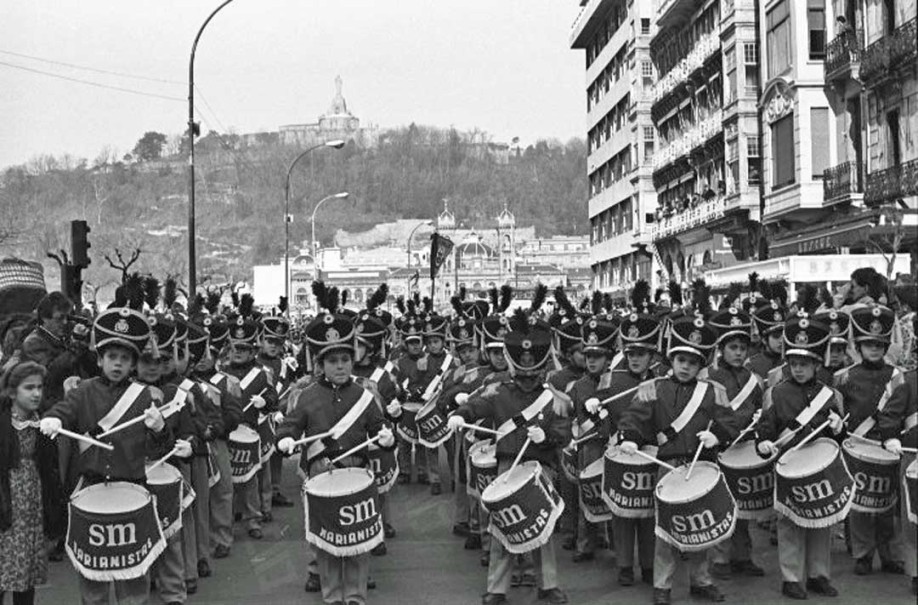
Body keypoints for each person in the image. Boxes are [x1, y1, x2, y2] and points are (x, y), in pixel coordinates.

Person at [40, 306, 171, 604]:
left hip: (132, 487)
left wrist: (160, 428)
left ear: (133, 365)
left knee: (134, 574)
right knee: (93, 572)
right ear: (99, 359)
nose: (117, 364)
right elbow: (63, 411)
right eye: (112, 357)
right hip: (92, 488)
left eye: (125, 359)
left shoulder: (144, 397)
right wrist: (55, 419)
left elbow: (161, 449)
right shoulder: (83, 391)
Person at [448, 309, 570, 605]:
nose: (527, 377)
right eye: (522, 371)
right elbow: (476, 406)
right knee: (502, 528)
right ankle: (497, 588)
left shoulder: (555, 399)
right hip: (506, 465)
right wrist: (460, 413)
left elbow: (564, 434)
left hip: (541, 469)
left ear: (540, 370)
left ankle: (548, 584)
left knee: (543, 529)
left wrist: (549, 438)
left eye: (533, 372)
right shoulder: (498, 391)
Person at [276, 306, 395, 605]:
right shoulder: (308, 396)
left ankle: (355, 596)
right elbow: (291, 425)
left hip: (356, 472)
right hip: (320, 473)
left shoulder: (364, 395)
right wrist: (285, 438)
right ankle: (331, 596)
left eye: (345, 359)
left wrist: (387, 437)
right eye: (332, 361)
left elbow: (379, 427)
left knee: (357, 541)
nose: (340, 366)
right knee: (327, 542)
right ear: (321, 364)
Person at [618, 313, 739, 605]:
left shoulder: (713, 392)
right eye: (681, 360)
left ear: (702, 364)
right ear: (671, 360)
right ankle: (662, 585)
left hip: (702, 466)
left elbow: (730, 423)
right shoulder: (655, 387)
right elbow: (634, 417)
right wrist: (630, 437)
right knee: (667, 529)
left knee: (701, 527)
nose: (686, 367)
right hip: (668, 466)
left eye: (693, 362)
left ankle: (701, 580)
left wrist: (719, 436)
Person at [755, 314, 845, 600]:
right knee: (790, 522)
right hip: (789, 463)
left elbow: (839, 435)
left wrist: (839, 428)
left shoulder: (830, 394)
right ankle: (791, 577)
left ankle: (819, 575)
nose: (798, 369)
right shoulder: (776, 393)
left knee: (822, 522)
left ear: (816, 365)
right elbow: (765, 428)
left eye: (804, 364)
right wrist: (764, 444)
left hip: (820, 466)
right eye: (794, 364)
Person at [585, 306, 660, 586]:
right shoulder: (611, 378)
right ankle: (625, 566)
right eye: (630, 353)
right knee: (622, 513)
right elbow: (598, 409)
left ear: (651, 355)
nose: (635, 359)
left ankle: (650, 566)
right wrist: (593, 407)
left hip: (652, 452)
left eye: (641, 354)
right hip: (620, 451)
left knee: (650, 514)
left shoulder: (662, 379)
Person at [834, 305, 905, 576]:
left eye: (879, 344)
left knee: (890, 503)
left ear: (886, 346)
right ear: (858, 346)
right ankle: (863, 554)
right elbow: (837, 411)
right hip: (857, 444)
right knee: (860, 504)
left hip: (888, 445)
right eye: (868, 344)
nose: (874, 349)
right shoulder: (845, 376)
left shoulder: (898, 376)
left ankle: (890, 555)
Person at [705, 305, 765, 579]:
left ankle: (743, 556)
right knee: (720, 505)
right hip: (719, 447)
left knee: (743, 505)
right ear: (721, 349)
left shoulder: (755, 380)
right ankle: (719, 559)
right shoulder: (709, 377)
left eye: (743, 347)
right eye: (733, 347)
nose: (739, 353)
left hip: (744, 448)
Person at [0, 362, 65, 605]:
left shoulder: (45, 424)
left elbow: (52, 470)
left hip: (33, 505)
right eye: (29, 387)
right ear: (12, 391)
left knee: (26, 576)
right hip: (7, 501)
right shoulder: (3, 422)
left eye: (39, 387)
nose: (36, 393)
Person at [220, 305, 278, 541]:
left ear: (253, 350)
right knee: (229, 481)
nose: (238, 352)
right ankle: (234, 513)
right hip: (228, 435)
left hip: (251, 432)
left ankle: (253, 519)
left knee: (251, 479)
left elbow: (273, 398)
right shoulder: (221, 373)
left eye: (243, 348)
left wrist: (264, 401)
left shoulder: (261, 374)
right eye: (235, 348)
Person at [567, 310, 617, 563]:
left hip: (614, 445)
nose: (592, 361)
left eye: (597, 356)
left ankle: (613, 541)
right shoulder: (578, 386)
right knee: (587, 493)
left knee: (614, 493)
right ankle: (584, 543)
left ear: (608, 358)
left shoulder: (618, 382)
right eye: (588, 356)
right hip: (590, 445)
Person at [879, 314, 918, 595]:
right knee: (913, 520)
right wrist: (891, 437)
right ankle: (917, 572)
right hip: (915, 460)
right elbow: (890, 415)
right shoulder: (907, 380)